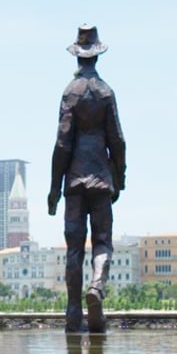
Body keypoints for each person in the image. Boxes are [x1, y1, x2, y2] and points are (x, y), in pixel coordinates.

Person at [48, 24, 126, 334]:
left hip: (75, 180)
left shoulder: (71, 92)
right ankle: (96, 287)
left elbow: (62, 142)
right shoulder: (106, 93)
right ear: (97, 56)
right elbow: (117, 140)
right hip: (102, 179)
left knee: (74, 248)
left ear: (78, 57)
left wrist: (55, 186)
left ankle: (72, 313)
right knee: (103, 242)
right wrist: (119, 177)